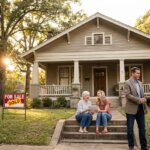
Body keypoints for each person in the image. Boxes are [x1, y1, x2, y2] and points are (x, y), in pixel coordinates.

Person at [124, 67, 149, 150]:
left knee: (142, 129)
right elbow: (127, 95)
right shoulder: (127, 83)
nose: (139, 74)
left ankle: (144, 146)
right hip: (131, 109)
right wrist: (139, 100)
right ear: (132, 73)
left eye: (139, 73)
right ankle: (131, 146)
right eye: (137, 73)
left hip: (141, 109)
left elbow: (142, 96)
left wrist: (145, 107)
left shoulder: (140, 83)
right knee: (130, 129)